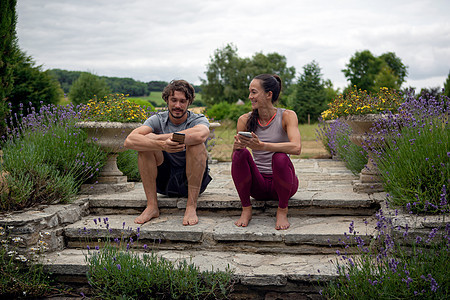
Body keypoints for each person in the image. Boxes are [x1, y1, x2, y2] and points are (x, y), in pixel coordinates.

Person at [124, 79, 211, 226]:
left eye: (182, 101)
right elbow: (129, 141)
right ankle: (152, 206)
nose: (178, 105)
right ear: (166, 100)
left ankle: (191, 206)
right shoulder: (157, 120)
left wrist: (157, 138)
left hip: (193, 181)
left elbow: (201, 135)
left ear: (189, 102)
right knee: (144, 147)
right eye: (174, 100)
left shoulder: (198, 119)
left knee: (196, 144)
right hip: (165, 182)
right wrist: (161, 145)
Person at [232, 74, 301, 230]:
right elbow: (236, 161)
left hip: (285, 186)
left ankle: (282, 210)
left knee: (280, 157)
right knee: (240, 154)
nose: (250, 97)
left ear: (269, 94)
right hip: (258, 186)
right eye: (250, 92)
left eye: (254, 92)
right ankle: (246, 209)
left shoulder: (287, 116)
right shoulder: (244, 120)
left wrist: (262, 146)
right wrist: (237, 147)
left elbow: (296, 148)